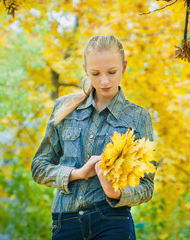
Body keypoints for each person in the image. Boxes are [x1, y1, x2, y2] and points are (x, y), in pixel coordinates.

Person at [31, 35, 157, 240]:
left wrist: (116, 193)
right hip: (65, 222)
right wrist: (77, 173)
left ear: (124, 67)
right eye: (95, 73)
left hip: (113, 221)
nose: (104, 80)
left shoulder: (138, 116)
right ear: (85, 70)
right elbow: (39, 168)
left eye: (112, 72)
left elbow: (147, 186)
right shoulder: (64, 109)